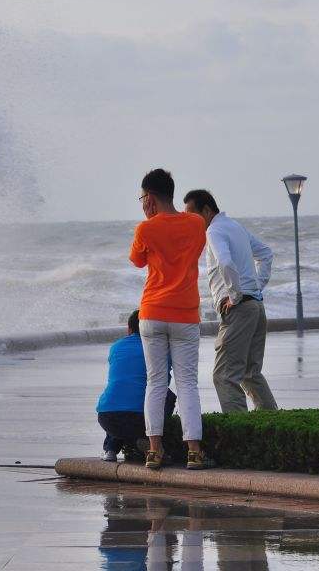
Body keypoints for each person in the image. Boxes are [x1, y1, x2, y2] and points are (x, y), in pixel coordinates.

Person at [130, 168, 214, 470]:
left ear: (149, 197)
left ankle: (154, 450)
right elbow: (195, 251)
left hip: (152, 312)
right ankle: (193, 451)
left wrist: (152, 220)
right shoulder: (195, 223)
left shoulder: (145, 229)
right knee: (188, 383)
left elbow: (138, 260)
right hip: (185, 314)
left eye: (142, 197)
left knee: (155, 382)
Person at [184, 189, 278, 413]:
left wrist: (235, 294)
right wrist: (255, 287)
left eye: (191, 214)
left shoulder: (214, 231)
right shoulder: (235, 226)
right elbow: (266, 254)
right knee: (250, 373)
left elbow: (226, 263)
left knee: (224, 375)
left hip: (239, 309)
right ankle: (272, 424)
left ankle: (239, 434)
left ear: (206, 210)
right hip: (255, 305)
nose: (189, 220)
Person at [96, 309, 176, 463]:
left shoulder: (116, 347)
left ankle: (110, 450)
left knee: (120, 392)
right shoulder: (159, 349)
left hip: (107, 418)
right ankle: (148, 439)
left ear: (129, 329)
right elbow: (162, 382)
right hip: (141, 420)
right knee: (166, 395)